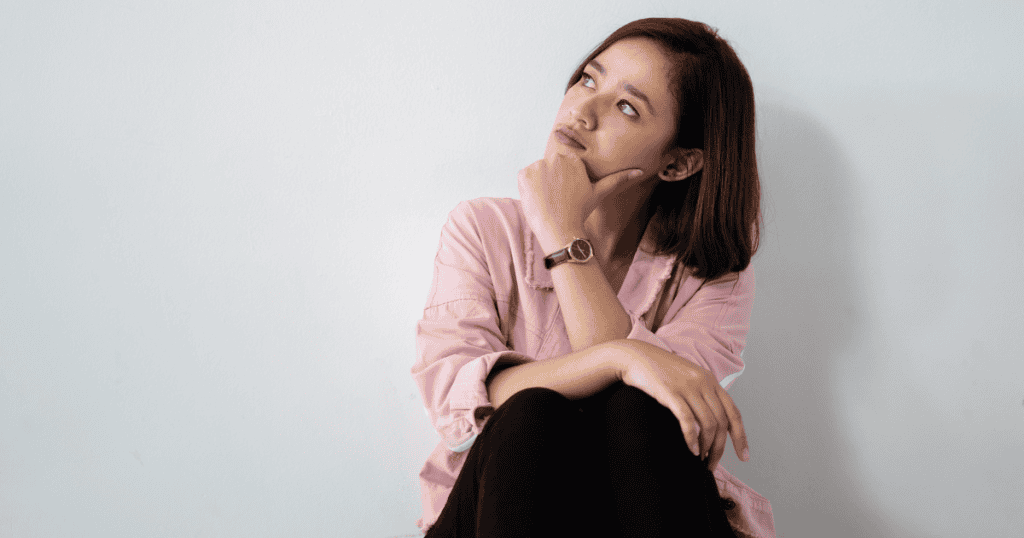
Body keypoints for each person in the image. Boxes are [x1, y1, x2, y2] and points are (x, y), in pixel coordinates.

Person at [411, 17, 775, 538]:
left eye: (626, 107)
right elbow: (461, 406)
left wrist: (563, 236)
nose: (582, 111)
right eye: (587, 79)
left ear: (677, 164)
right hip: (493, 510)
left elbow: (655, 421)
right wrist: (621, 355)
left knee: (637, 411)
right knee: (528, 417)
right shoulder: (483, 229)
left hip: (641, 509)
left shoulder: (713, 277)